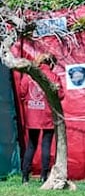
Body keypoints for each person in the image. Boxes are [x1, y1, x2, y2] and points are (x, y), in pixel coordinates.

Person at [19, 53, 63, 184]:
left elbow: (22, 92)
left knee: (31, 145)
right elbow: (60, 95)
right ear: (51, 64)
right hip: (48, 115)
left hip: (32, 116)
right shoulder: (53, 76)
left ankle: (25, 177)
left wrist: (30, 103)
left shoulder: (30, 74)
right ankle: (44, 176)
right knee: (46, 145)